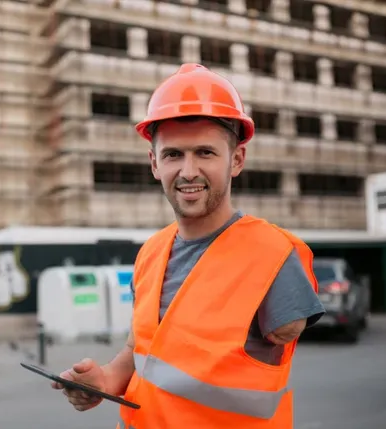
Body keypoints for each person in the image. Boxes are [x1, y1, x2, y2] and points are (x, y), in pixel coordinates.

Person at [51, 63, 326, 428]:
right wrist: (102, 381)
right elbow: (140, 355)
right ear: (154, 163)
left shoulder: (273, 255)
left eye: (205, 153)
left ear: (237, 160)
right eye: (173, 155)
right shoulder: (150, 253)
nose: (189, 170)